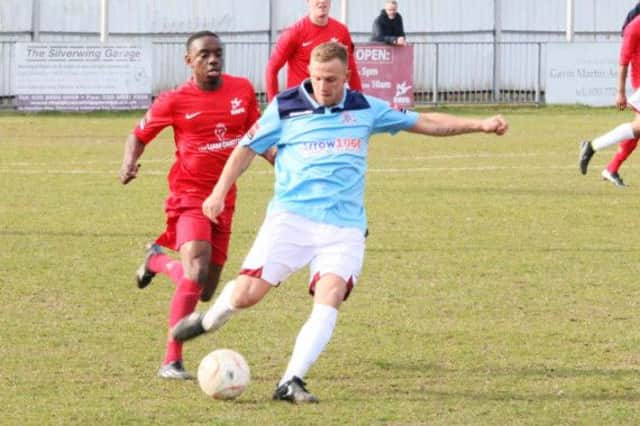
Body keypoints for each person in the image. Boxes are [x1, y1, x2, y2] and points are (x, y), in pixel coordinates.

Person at [171, 42, 508, 403]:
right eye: (316, 78)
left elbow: (425, 122)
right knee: (245, 295)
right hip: (291, 220)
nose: (323, 86)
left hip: (344, 228)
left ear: (346, 76)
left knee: (330, 296)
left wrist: (481, 124)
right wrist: (219, 192)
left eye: (331, 79)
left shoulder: (365, 107)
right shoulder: (285, 106)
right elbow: (246, 149)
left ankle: (291, 380)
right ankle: (209, 320)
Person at [119, 30, 272, 379]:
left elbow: (258, 138)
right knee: (197, 268)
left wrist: (281, 162)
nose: (213, 59)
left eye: (218, 53)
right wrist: (129, 162)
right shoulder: (174, 100)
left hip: (225, 199)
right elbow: (138, 134)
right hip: (189, 196)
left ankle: (157, 261)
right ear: (189, 61)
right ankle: (171, 360)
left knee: (205, 292)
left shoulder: (242, 90)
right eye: (204, 55)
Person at [579, 2, 640, 187]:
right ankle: (592, 147)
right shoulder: (634, 27)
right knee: (637, 129)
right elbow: (623, 61)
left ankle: (609, 166)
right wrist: (620, 92)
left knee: (637, 130)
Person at [265, 0, 362, 102]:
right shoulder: (293, 33)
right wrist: (273, 105)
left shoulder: (341, 30)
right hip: (302, 103)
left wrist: (360, 99)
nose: (322, 1)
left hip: (331, 102)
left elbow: (351, 67)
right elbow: (272, 69)